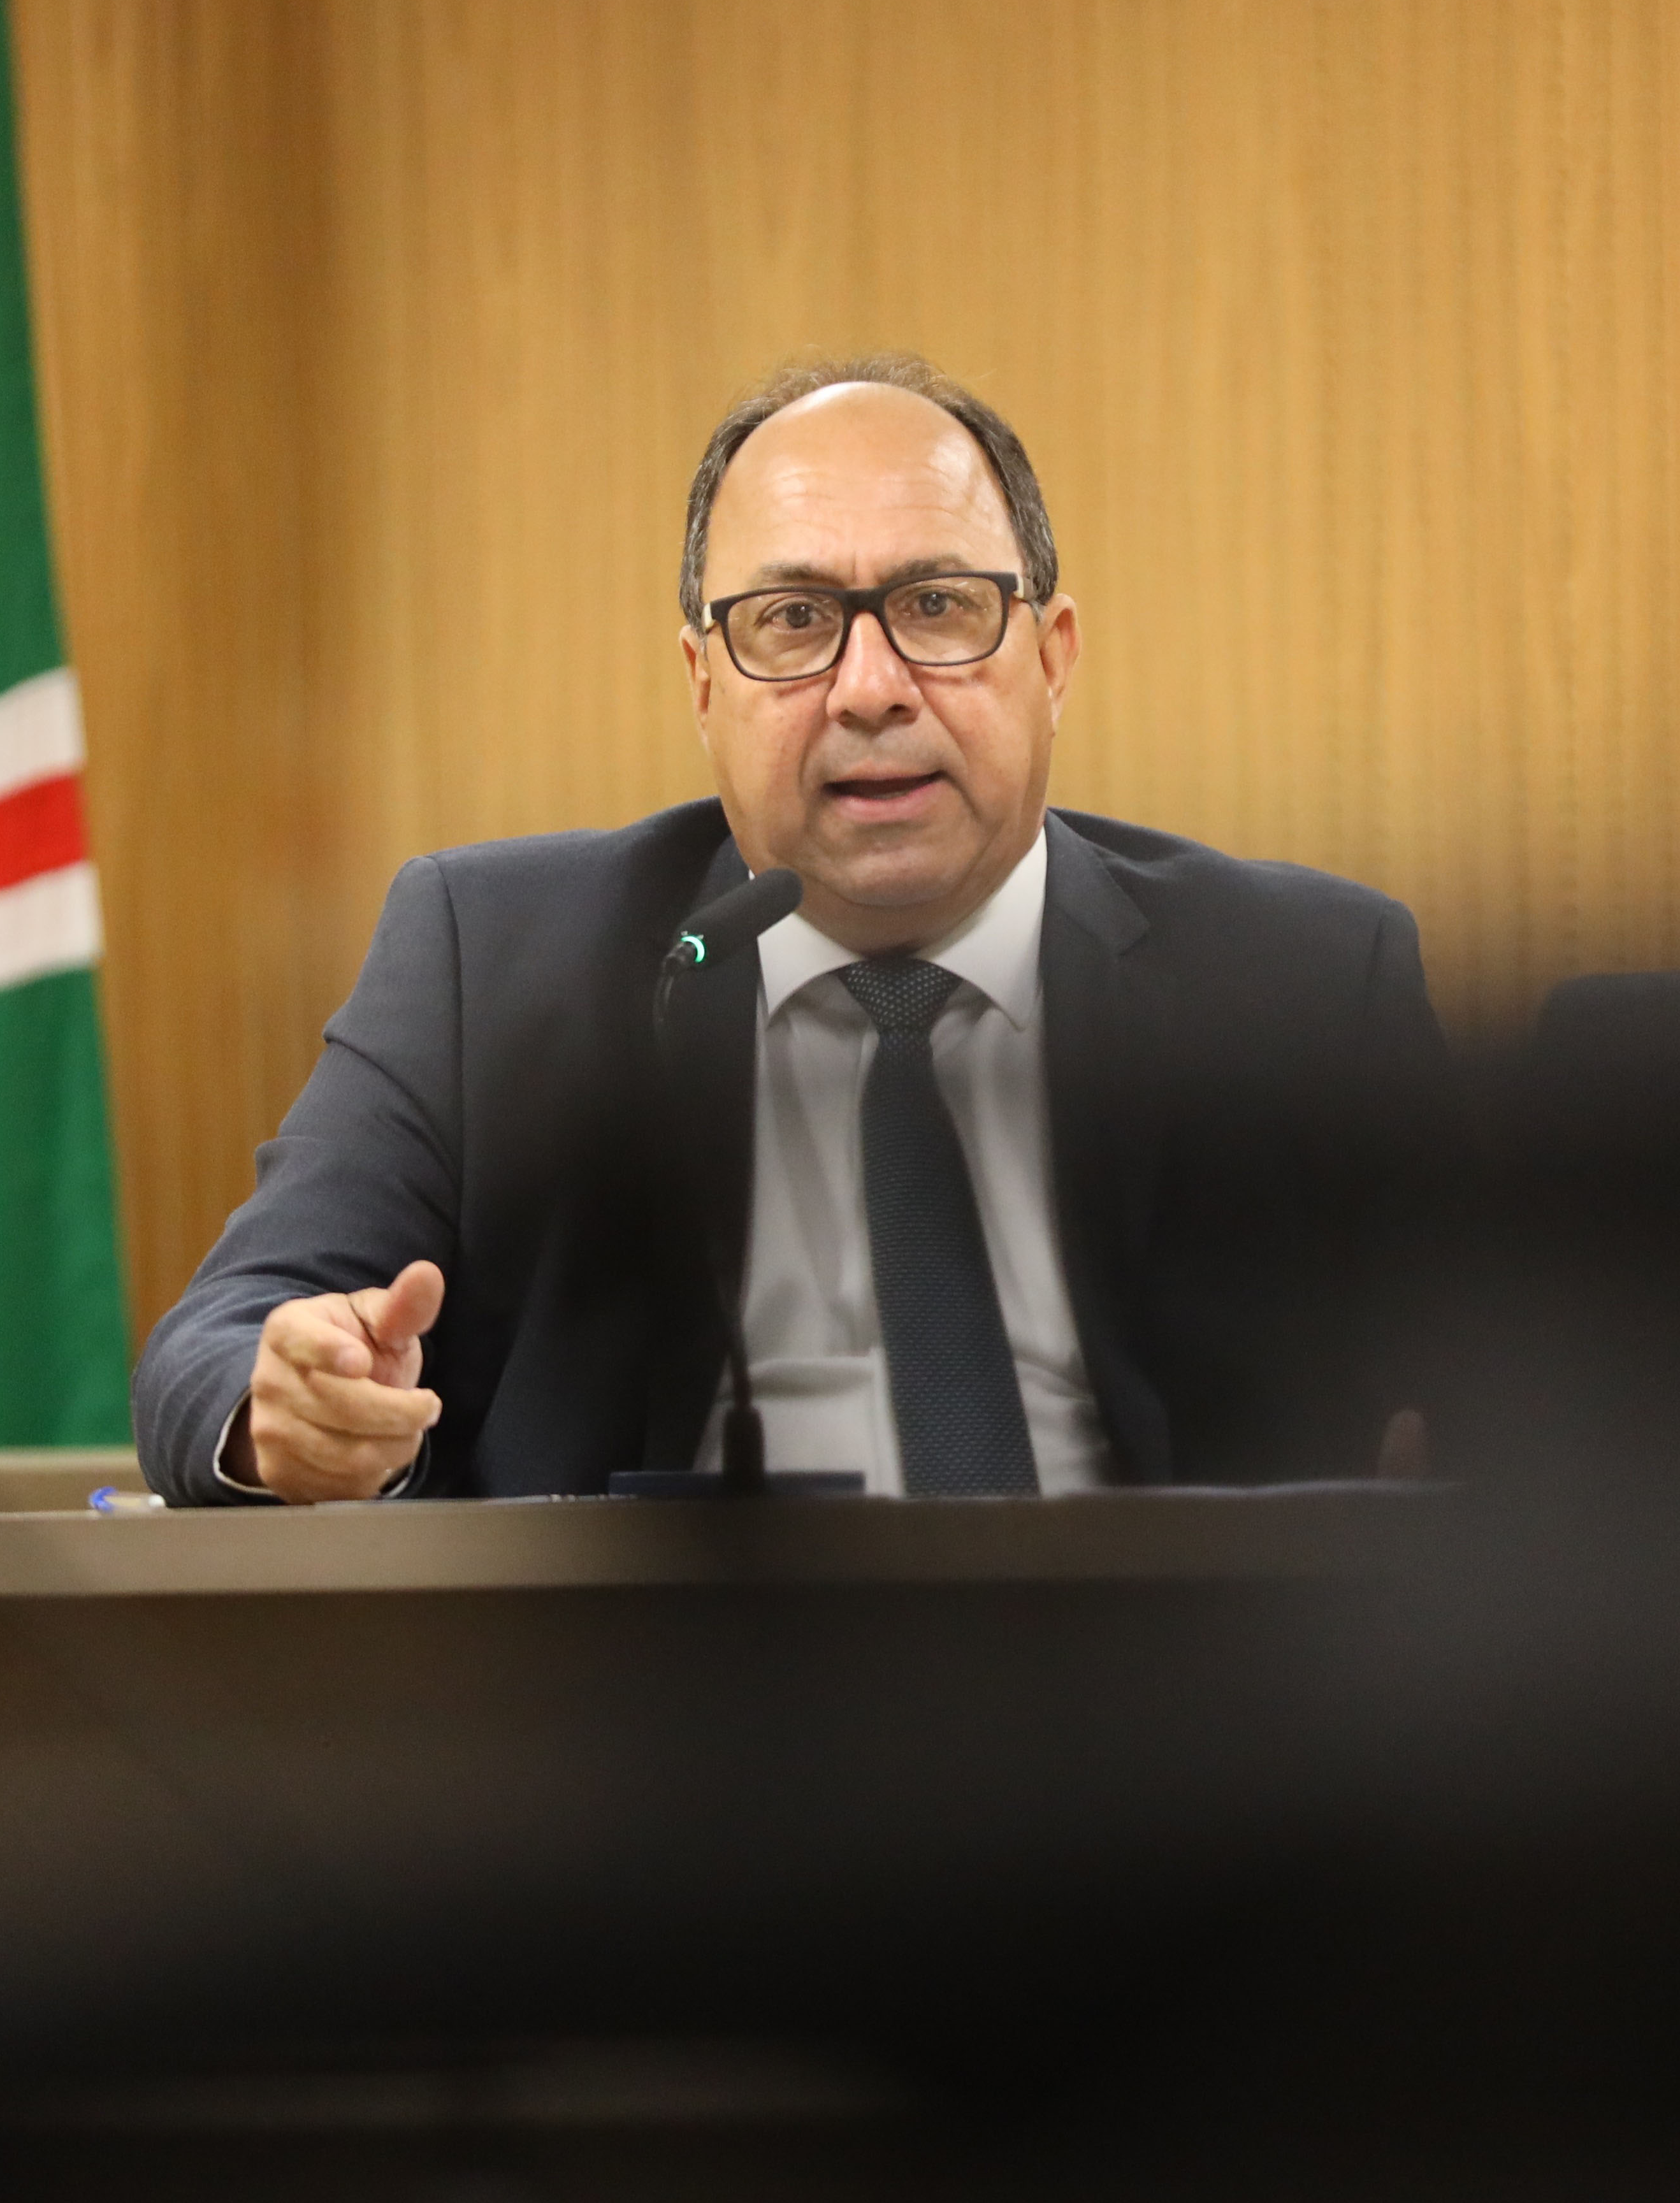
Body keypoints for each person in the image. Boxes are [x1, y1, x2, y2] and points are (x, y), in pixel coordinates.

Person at [133, 354, 1449, 1503]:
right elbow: (219, 1340)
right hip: (648, 1697)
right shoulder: (495, 961)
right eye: (794, 622)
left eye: (939, 606)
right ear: (703, 684)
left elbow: (1503, 1397)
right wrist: (294, 1408)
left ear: (1052, 658)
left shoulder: (1304, 984)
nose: (870, 689)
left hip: (1163, 1695)